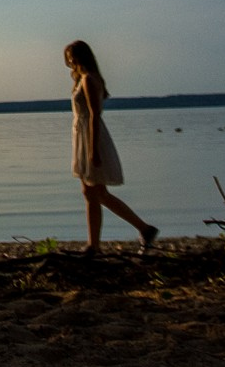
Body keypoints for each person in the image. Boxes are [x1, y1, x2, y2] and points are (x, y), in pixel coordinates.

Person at [65, 38, 158, 255]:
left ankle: (143, 229)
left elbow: (95, 115)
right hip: (83, 136)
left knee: (98, 193)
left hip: (91, 137)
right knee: (91, 193)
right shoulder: (84, 78)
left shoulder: (88, 79)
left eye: (71, 57)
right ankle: (95, 244)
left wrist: (93, 149)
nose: (69, 62)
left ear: (81, 57)